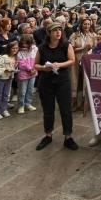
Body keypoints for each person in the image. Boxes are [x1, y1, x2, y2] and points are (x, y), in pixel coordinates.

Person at [33, 23, 78, 151]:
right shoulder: (42, 47)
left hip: (62, 81)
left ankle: (68, 137)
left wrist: (59, 64)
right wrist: (43, 68)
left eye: (59, 30)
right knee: (48, 110)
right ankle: (48, 135)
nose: (58, 32)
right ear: (49, 33)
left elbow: (72, 60)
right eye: (54, 31)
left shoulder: (65, 45)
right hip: (46, 81)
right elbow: (35, 65)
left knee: (65, 110)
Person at [69, 18, 96, 112]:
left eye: (89, 24)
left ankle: (84, 103)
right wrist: (83, 47)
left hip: (87, 61)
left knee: (85, 80)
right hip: (76, 60)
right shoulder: (75, 35)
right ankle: (74, 102)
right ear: (81, 24)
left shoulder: (93, 36)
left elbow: (95, 49)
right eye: (85, 24)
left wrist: (90, 49)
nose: (87, 26)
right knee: (75, 80)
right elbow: (71, 49)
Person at [0, 41, 19, 120]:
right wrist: (5, 70)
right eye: (13, 48)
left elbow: (13, 68)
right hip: (1, 78)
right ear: (9, 48)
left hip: (9, 78)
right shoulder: (3, 57)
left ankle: (4, 109)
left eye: (16, 48)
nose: (15, 50)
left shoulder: (14, 57)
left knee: (6, 94)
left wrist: (15, 67)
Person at [16, 34, 38, 114]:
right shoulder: (19, 51)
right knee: (22, 91)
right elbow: (21, 63)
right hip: (23, 74)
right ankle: (21, 105)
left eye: (26, 43)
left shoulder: (35, 49)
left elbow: (37, 59)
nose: (24, 45)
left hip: (33, 73)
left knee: (30, 90)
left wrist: (35, 68)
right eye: (23, 43)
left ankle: (28, 104)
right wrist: (30, 69)